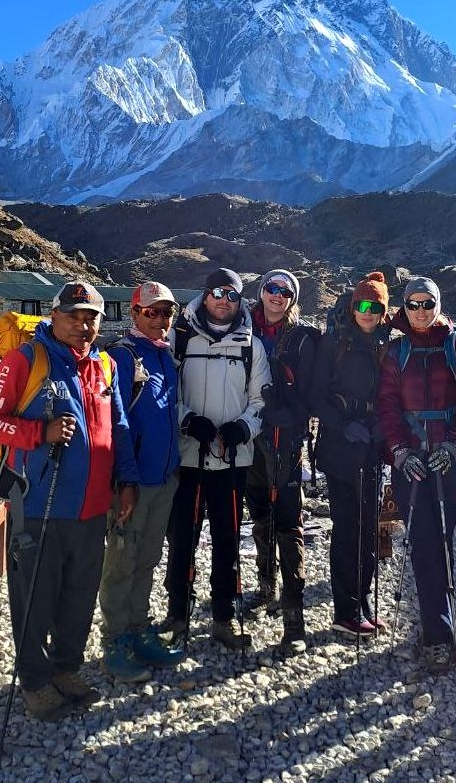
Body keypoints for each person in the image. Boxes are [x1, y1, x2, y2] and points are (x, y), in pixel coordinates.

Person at [0, 281, 138, 720]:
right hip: (39, 506)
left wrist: (127, 481)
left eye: (91, 317)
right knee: (34, 599)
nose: (83, 325)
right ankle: (34, 682)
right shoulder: (26, 360)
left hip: (91, 508)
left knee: (79, 595)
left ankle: (66, 669)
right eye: (73, 315)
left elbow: (117, 427)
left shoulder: (104, 365)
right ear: (54, 316)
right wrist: (36, 434)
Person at [377, 277, 456, 672]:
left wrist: (455, 444)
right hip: (410, 461)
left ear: (439, 304)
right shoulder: (395, 350)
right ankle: (439, 633)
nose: (421, 311)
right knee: (425, 541)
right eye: (414, 304)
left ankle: (440, 621)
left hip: (449, 459)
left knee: (438, 538)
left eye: (428, 303)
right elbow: (386, 405)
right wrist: (401, 451)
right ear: (404, 307)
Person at [163, 268, 271, 650]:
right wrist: (188, 420)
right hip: (189, 455)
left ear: (240, 301)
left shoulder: (250, 346)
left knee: (227, 539)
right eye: (216, 293)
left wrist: (244, 428)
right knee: (182, 539)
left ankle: (224, 616)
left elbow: (261, 400)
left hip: (231, 459)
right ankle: (178, 613)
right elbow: (166, 394)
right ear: (204, 295)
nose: (223, 301)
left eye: (231, 294)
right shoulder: (179, 339)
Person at [98, 282, 184, 680]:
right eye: (152, 312)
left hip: (163, 478)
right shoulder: (122, 356)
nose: (160, 319)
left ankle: (137, 629)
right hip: (133, 483)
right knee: (121, 560)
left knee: (147, 559)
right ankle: (114, 640)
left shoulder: (165, 356)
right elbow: (117, 426)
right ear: (134, 313)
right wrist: (125, 481)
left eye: (167, 312)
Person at [310, 271, 390, 638]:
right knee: (347, 528)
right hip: (339, 447)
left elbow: (393, 395)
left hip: (371, 447)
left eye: (375, 306)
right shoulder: (334, 344)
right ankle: (346, 609)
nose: (368, 312)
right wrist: (344, 424)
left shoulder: (387, 345)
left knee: (369, 528)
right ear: (353, 306)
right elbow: (315, 396)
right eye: (362, 305)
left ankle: (363, 600)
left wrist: (381, 426)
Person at [246, 269, 318, 653]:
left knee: (289, 522)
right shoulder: (242, 328)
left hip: (286, 440)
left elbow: (316, 388)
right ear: (262, 293)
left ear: (293, 298)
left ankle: (295, 615)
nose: (278, 295)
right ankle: (264, 583)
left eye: (285, 291)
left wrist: (294, 415)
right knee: (259, 512)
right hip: (251, 435)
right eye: (272, 288)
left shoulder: (304, 339)